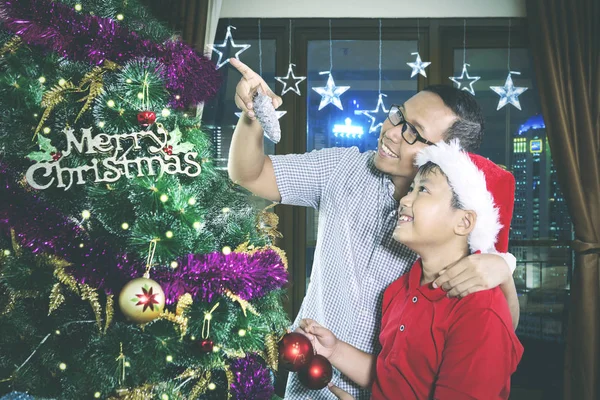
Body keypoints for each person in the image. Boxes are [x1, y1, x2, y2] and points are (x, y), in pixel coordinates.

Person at [227, 58, 519, 399]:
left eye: (413, 132)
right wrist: (252, 116)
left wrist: (504, 266)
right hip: (307, 385)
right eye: (398, 115)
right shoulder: (343, 168)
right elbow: (248, 174)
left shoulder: (449, 232)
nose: (391, 131)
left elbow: (493, 331)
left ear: (448, 156)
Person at [300, 140, 523, 399]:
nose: (405, 199)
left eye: (423, 190)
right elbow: (392, 378)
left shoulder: (479, 309)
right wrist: (335, 351)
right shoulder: (399, 290)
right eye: (411, 188)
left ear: (464, 222)